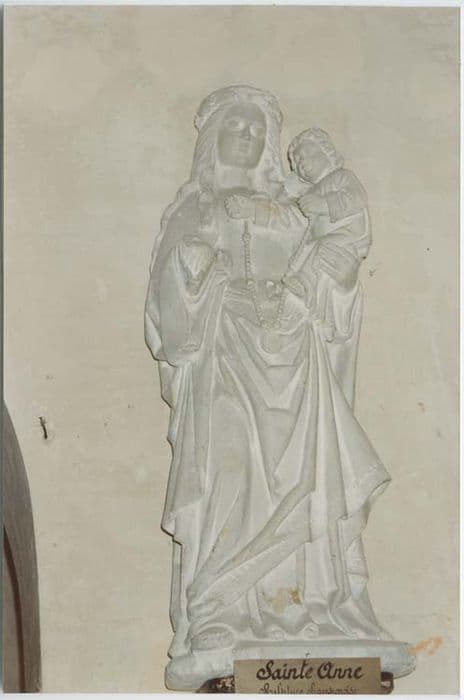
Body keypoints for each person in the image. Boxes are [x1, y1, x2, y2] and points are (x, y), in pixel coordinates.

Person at [145, 86, 391, 689]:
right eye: (238, 126)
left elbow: (336, 271)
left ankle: (314, 608)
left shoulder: (297, 208)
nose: (250, 137)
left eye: (259, 129)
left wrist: (326, 283)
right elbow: (168, 309)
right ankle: (221, 609)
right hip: (226, 356)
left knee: (309, 475)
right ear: (213, 139)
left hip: (296, 357)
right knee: (230, 470)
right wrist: (194, 272)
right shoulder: (194, 207)